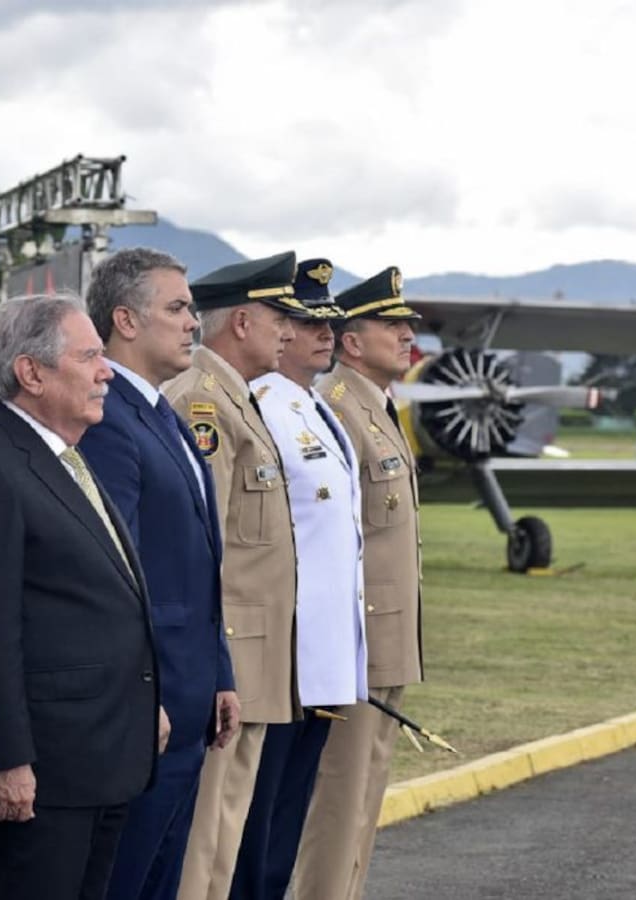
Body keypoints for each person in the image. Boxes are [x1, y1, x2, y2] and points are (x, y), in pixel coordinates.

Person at [0, 293, 162, 900]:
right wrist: (8, 759)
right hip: (44, 771)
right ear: (32, 372)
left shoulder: (66, 456)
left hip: (101, 756)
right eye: (90, 356)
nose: (106, 371)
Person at [76, 248, 238, 900]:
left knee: (161, 882)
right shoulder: (109, 419)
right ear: (126, 320)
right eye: (176, 308)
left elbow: (198, 564)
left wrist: (221, 672)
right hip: (155, 705)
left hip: (191, 697)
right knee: (126, 881)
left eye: (193, 309)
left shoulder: (162, 413)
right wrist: (148, 698)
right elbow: (121, 575)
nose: (193, 323)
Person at [161, 252, 305, 900]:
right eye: (280, 315)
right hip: (230, 659)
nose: (290, 330)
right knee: (202, 842)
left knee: (224, 835)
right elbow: (201, 547)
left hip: (254, 658)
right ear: (242, 321)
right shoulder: (202, 401)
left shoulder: (235, 399)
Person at [232, 258, 367, 899]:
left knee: (283, 826)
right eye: (306, 321)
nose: (323, 334)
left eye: (330, 323)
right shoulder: (261, 408)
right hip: (282, 658)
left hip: (322, 659)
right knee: (253, 830)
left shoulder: (316, 409)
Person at [293, 266, 424, 900]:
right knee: (338, 805)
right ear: (351, 341)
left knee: (365, 798)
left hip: (386, 638)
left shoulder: (377, 408)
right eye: (391, 325)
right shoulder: (341, 410)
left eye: (408, 326)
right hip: (355, 643)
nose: (406, 337)